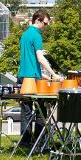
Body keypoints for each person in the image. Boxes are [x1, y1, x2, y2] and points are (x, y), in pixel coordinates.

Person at [17, 9, 63, 145]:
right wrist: (54, 75)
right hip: (32, 79)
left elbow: (28, 61)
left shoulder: (24, 35)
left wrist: (44, 76)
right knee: (41, 109)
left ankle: (25, 141)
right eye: (45, 23)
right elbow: (39, 58)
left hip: (22, 76)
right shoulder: (36, 35)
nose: (45, 26)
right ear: (38, 20)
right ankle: (39, 140)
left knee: (25, 111)